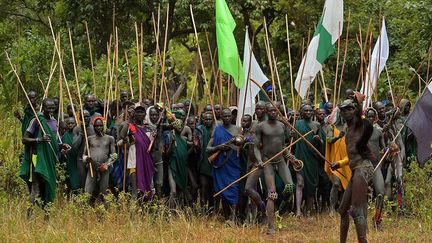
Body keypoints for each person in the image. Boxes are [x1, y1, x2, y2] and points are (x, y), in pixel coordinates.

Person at [332, 97, 375, 243]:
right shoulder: (348, 129)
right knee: (343, 210)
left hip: (363, 169)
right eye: (342, 111)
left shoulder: (359, 124)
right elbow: (351, 156)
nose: (344, 113)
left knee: (357, 210)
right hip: (355, 170)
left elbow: (360, 113)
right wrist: (339, 164)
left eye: (348, 110)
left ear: (354, 111)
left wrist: (358, 101)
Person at [21, 98, 69, 219]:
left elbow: (52, 142)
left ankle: (47, 216)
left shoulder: (54, 121)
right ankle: (29, 216)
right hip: (38, 158)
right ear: (43, 107)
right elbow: (24, 139)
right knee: (36, 188)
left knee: (49, 185)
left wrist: (61, 145)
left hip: (50, 158)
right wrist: (39, 140)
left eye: (53, 108)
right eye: (48, 108)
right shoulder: (36, 120)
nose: (51, 110)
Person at [253, 104, 295, 234]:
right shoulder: (260, 126)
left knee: (290, 187)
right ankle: (271, 226)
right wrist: (259, 160)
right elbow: (256, 146)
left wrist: (290, 156)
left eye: (275, 110)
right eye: (271, 110)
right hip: (267, 161)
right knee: (272, 193)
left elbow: (283, 145)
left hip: (280, 160)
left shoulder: (282, 125)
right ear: (266, 112)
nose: (273, 113)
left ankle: (280, 210)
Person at [207, 109, 241, 221]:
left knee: (234, 188)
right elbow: (208, 148)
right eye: (224, 116)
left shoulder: (237, 129)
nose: (227, 118)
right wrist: (219, 147)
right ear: (221, 117)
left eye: (229, 116)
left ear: (232, 117)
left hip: (233, 164)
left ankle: (233, 217)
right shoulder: (217, 130)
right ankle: (227, 216)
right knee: (223, 190)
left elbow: (241, 146)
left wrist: (235, 144)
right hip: (220, 165)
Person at [119, 103, 154, 200]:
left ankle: (145, 213)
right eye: (137, 112)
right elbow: (119, 142)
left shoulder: (149, 129)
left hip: (146, 162)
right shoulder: (129, 127)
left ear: (145, 115)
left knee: (148, 189)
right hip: (134, 162)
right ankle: (132, 214)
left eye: (142, 112)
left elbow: (152, 147)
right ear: (134, 114)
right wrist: (125, 141)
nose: (139, 114)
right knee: (135, 191)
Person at [294, 104, 324, 216]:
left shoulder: (316, 125)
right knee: (300, 183)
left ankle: (308, 210)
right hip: (300, 158)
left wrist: (318, 139)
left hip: (312, 159)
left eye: (310, 110)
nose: (308, 112)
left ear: (313, 112)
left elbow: (321, 144)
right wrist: (292, 135)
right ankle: (297, 211)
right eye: (305, 110)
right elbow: (290, 142)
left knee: (311, 185)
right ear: (301, 112)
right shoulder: (296, 124)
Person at [83, 117, 117, 204]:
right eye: (96, 126)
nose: (99, 128)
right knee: (88, 191)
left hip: (104, 168)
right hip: (92, 167)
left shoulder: (110, 138)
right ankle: (85, 212)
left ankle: (105, 213)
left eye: (100, 125)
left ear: (103, 126)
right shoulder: (89, 139)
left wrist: (107, 164)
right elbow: (84, 155)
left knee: (104, 191)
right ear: (93, 127)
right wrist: (87, 159)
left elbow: (114, 155)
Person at [365, 108, 386, 229]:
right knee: (361, 194)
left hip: (376, 166)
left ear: (375, 118)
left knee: (380, 193)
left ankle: (377, 220)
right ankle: (360, 220)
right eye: (368, 116)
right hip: (363, 167)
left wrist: (388, 149)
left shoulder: (378, 132)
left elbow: (383, 148)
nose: (370, 119)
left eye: (372, 117)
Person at [73, 109, 96, 190]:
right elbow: (75, 146)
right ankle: (83, 200)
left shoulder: (94, 128)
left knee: (93, 181)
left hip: (92, 158)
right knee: (83, 181)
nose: (86, 118)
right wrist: (81, 134)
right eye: (84, 117)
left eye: (87, 117)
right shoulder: (77, 129)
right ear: (80, 118)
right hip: (80, 159)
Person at [197, 112, 215, 211]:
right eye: (206, 119)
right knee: (203, 188)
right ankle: (202, 211)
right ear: (203, 120)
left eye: (210, 119)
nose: (208, 121)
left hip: (214, 165)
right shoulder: (200, 130)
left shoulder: (216, 130)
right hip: (203, 163)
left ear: (213, 120)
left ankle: (211, 210)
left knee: (212, 190)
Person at [61, 117, 80, 193]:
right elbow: (61, 148)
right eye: (68, 123)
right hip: (69, 160)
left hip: (78, 159)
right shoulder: (64, 136)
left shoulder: (79, 134)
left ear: (75, 124)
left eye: (72, 123)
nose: (70, 125)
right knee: (71, 179)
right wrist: (63, 151)